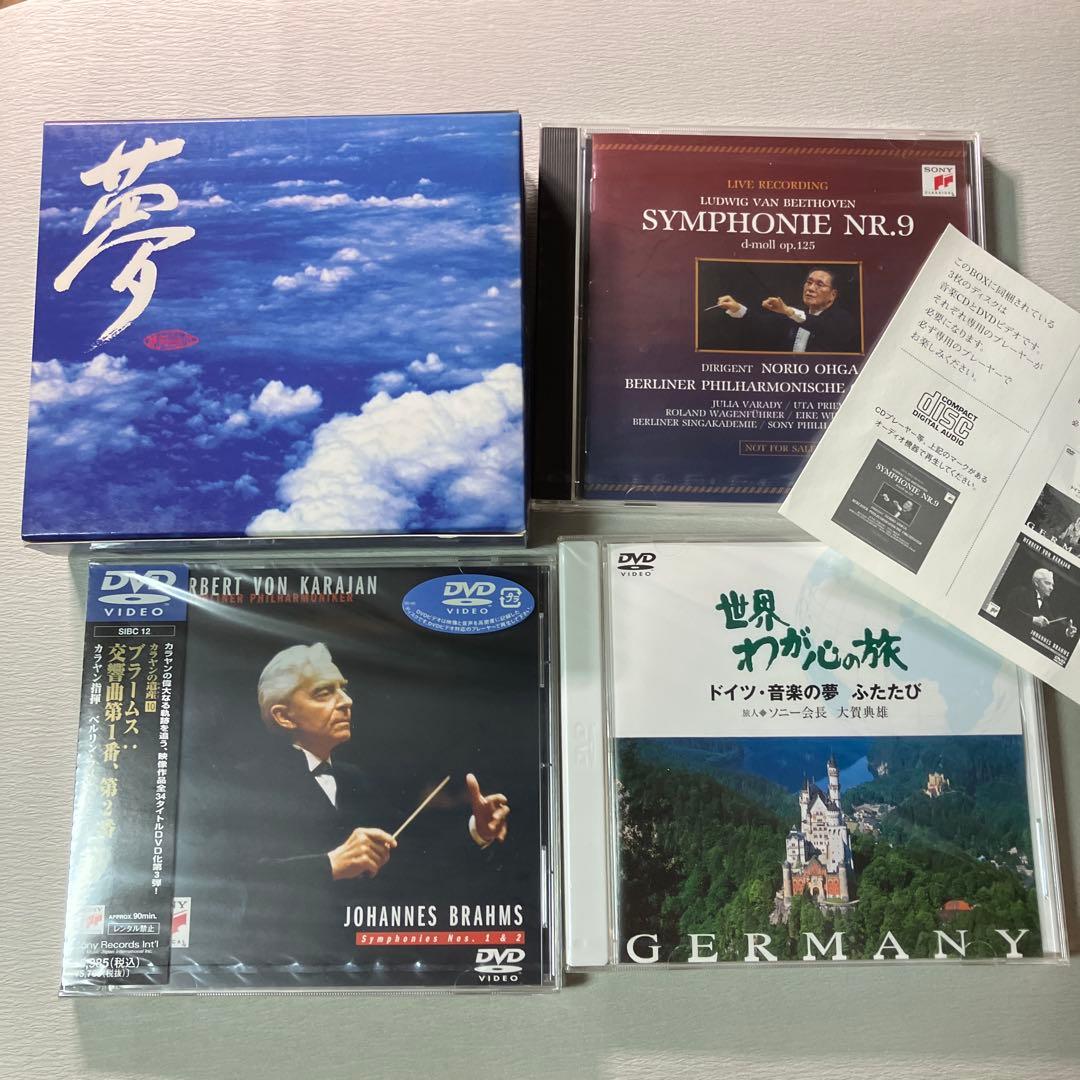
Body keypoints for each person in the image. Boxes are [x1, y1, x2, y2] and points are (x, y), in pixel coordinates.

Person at [235, 642, 510, 961]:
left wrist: (478, 831)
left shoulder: (354, 779)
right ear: (284, 716)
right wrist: (330, 865)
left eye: (343, 689)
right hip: (284, 964)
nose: (346, 701)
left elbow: (412, 852)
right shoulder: (244, 784)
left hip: (365, 962)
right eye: (324, 692)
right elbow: (233, 882)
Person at [713, 267, 860, 353]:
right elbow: (762, 323)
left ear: (833, 295)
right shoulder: (794, 314)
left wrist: (788, 311)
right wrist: (738, 308)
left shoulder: (844, 320)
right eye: (809, 282)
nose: (810, 288)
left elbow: (820, 325)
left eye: (819, 285)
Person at [1000, 568, 1078, 645]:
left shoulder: (1045, 605)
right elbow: (1009, 612)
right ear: (1036, 582)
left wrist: (1067, 631)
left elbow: (1050, 627)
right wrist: (1033, 619)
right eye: (1047, 583)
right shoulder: (1020, 592)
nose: (1051, 588)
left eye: (1052, 585)